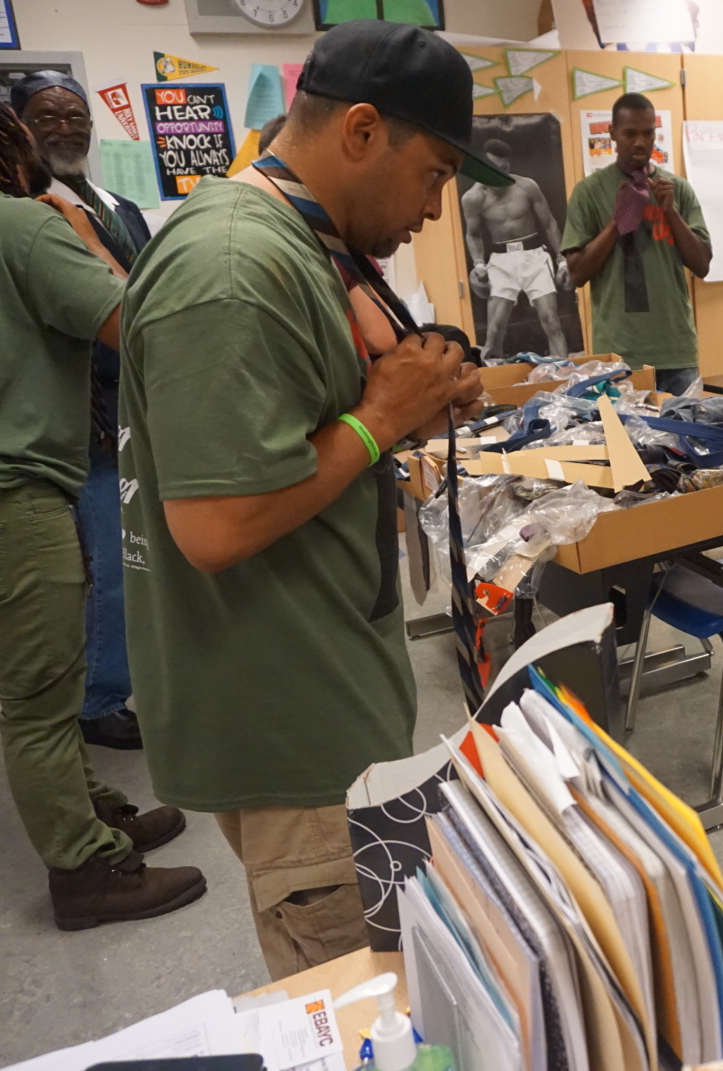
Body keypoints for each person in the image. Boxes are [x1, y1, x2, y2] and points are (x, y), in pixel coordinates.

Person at [119, 21, 489, 979]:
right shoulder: (235, 266)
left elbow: (294, 428)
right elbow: (216, 525)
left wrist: (408, 400)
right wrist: (380, 417)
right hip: (295, 726)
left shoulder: (296, 240)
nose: (434, 210)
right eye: (435, 175)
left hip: (329, 684)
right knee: (368, 998)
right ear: (361, 131)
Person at [0, 66, 204, 929]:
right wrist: (79, 227)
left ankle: (93, 813)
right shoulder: (20, 223)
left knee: (47, 680)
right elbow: (135, 323)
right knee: (39, 698)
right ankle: (86, 873)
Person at [13, 70, 152, 752]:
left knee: (148, 554)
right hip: (88, 410)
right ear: (20, 128)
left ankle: (138, 679)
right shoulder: (27, 211)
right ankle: (98, 701)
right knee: (114, 562)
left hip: (142, 399)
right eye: (47, 117)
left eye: (75, 117)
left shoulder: (118, 206)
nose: (65, 129)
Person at [563, 92, 712, 396]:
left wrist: (671, 212)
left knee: (682, 427)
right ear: (612, 133)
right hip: (618, 354)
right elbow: (577, 274)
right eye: (630, 134)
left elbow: (702, 265)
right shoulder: (589, 192)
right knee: (623, 428)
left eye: (648, 133)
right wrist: (617, 222)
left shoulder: (678, 189)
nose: (640, 142)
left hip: (675, 350)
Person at [463, 138, 571, 359]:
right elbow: (473, 234)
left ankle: (563, 372)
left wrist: (562, 260)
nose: (500, 175)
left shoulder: (526, 186)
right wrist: (479, 264)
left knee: (551, 321)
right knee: (495, 329)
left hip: (534, 256)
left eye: (504, 169)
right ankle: (493, 375)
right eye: (494, 169)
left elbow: (549, 223)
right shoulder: (473, 198)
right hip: (501, 261)